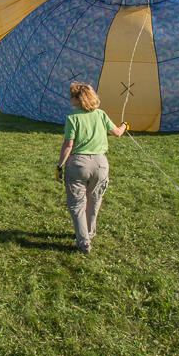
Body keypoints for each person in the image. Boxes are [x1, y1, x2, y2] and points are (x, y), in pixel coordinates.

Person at [56, 82, 128, 255]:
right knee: (94, 200)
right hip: (101, 164)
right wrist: (125, 125)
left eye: (72, 96)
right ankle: (89, 232)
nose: (70, 98)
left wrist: (60, 165)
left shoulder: (72, 118)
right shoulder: (101, 114)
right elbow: (117, 132)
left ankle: (83, 242)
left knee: (77, 204)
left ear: (80, 99)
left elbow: (68, 144)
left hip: (78, 164)